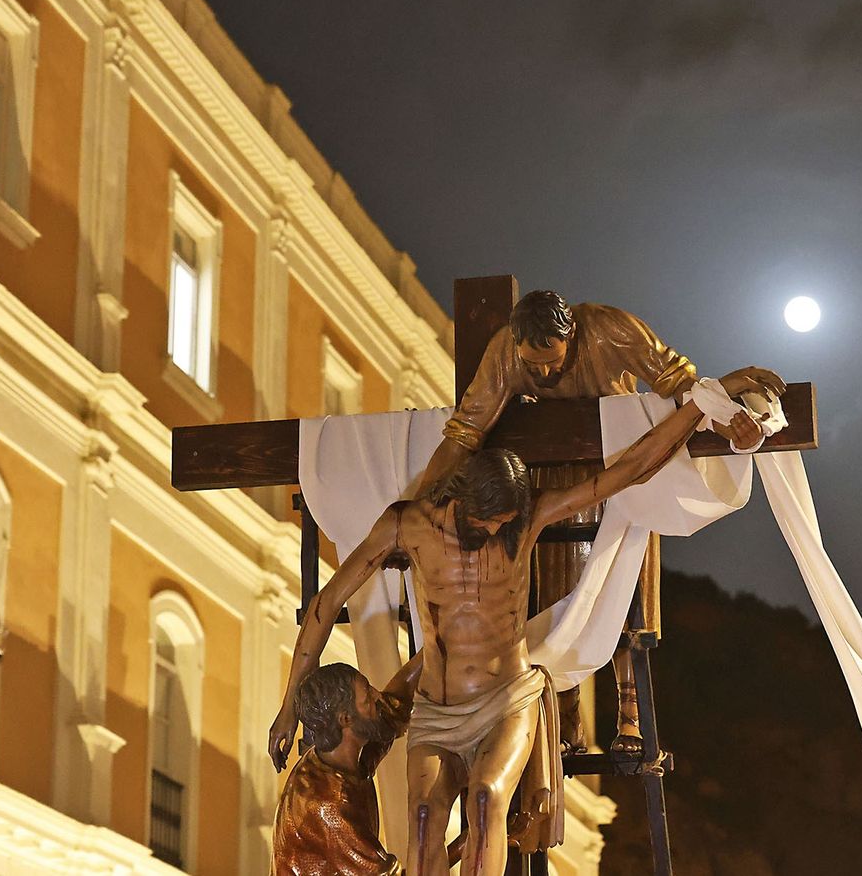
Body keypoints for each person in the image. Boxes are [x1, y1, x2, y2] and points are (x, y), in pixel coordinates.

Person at [269, 367, 775, 876]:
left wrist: (708, 397)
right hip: (436, 708)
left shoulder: (525, 520)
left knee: (487, 799)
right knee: (423, 817)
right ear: (465, 499)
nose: (496, 532)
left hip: (505, 699)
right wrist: (290, 706)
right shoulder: (407, 524)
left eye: (505, 524)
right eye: (488, 522)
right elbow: (326, 603)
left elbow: (631, 470)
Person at [415, 290, 785, 753]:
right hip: (554, 478)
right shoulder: (504, 354)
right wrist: (421, 503)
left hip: (623, 469)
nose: (544, 374)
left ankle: (628, 712)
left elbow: (681, 384)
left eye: (553, 361)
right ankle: (567, 715)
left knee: (625, 592)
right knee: (555, 596)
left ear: (571, 336)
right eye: (534, 366)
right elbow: (465, 431)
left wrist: (731, 419)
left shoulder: (613, 330)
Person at [271, 659, 420, 876]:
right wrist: (469, 840)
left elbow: (394, 706)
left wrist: (437, 644)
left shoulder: (347, 756)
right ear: (346, 719)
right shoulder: (329, 805)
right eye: (368, 699)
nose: (378, 697)